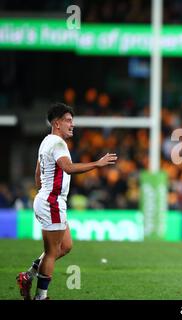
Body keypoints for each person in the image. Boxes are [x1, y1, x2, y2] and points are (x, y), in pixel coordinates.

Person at [16, 103, 117, 300]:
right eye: (68, 121)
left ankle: (28, 275)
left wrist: (42, 194)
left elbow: (38, 172)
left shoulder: (46, 141)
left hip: (49, 200)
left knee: (65, 246)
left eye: (72, 120)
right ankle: (41, 296)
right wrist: (97, 163)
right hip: (52, 201)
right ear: (57, 123)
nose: (72, 124)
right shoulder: (58, 144)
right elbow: (68, 168)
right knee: (52, 252)